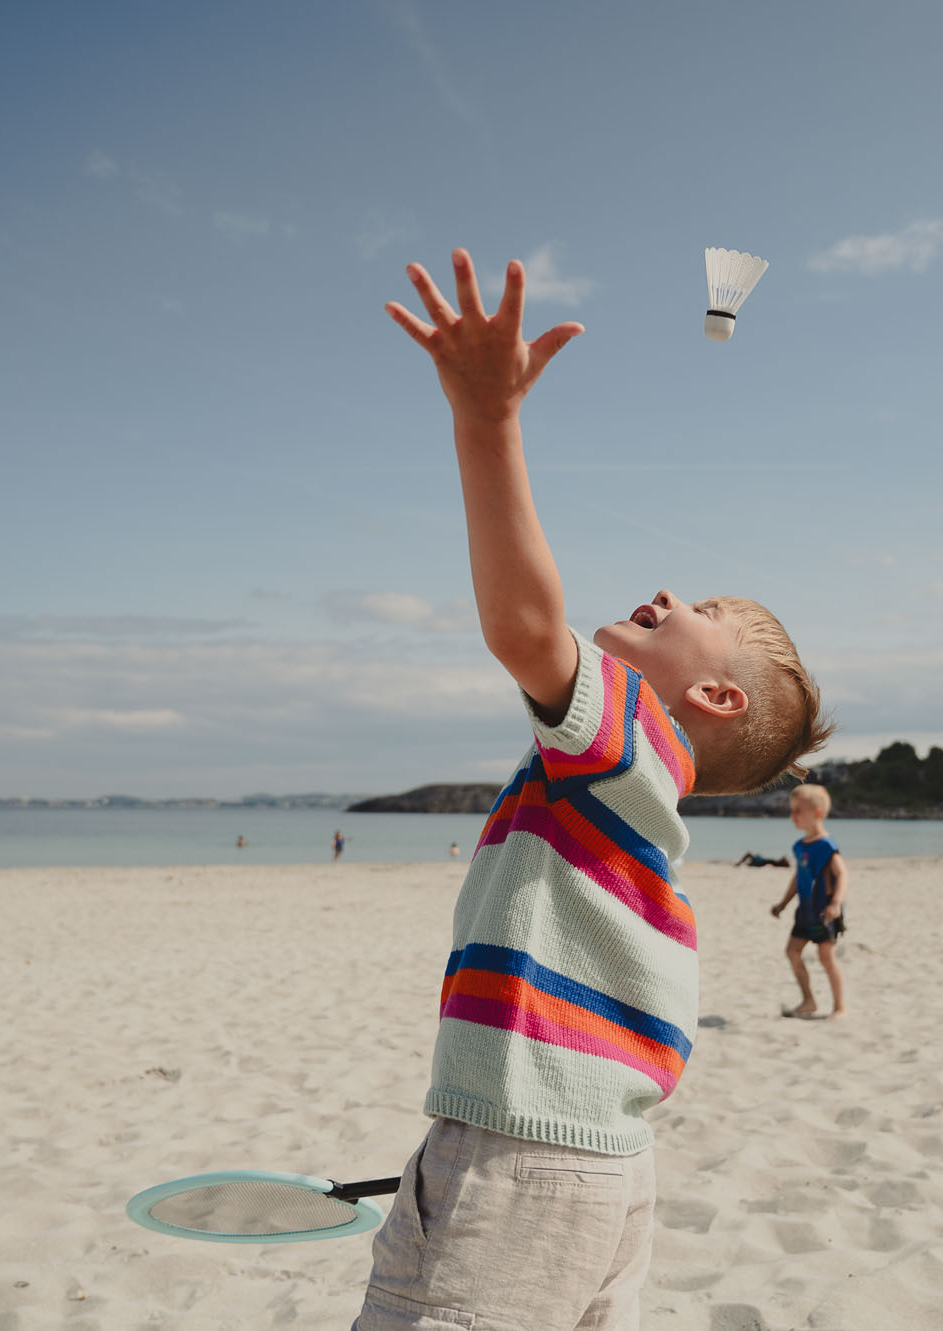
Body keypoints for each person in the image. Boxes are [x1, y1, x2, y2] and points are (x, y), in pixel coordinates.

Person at [354, 250, 831, 1330]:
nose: (666, 590)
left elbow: (525, 626)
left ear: (711, 695)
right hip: (611, 1167)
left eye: (701, 607)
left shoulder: (621, 740)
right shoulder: (640, 812)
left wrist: (487, 421)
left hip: (517, 1152)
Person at [769, 784, 848, 1020]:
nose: (792, 815)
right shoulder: (799, 846)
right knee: (792, 951)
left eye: (798, 811)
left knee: (826, 957)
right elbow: (799, 877)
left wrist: (836, 902)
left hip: (825, 910)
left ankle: (840, 1007)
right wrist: (783, 903)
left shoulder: (826, 846)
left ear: (818, 813)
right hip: (804, 910)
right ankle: (808, 1001)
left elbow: (842, 874)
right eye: (791, 810)